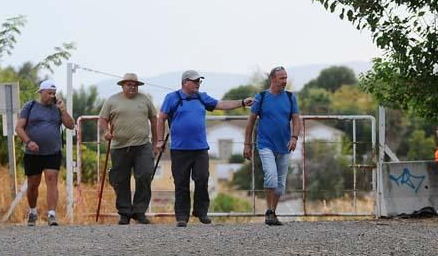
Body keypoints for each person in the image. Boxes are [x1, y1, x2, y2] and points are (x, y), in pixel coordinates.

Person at [156, 70, 253, 227]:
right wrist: (160, 140)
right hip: (179, 149)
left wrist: (242, 102)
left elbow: (221, 104)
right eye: (195, 81)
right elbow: (161, 119)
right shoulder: (172, 98)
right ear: (185, 82)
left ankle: (201, 212)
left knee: (202, 179)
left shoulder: (202, 97)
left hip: (200, 148)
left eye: (199, 82)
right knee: (181, 183)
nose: (198, 84)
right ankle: (182, 216)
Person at [243, 66, 301, 226]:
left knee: (281, 184)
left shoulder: (290, 97)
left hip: (285, 145)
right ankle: (269, 210)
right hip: (265, 144)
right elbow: (250, 122)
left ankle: (272, 213)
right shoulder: (261, 97)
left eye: (285, 78)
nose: (284, 81)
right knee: (271, 176)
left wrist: (294, 137)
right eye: (281, 78)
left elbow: (296, 119)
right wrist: (247, 144)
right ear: (273, 79)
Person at [98, 72, 159, 225]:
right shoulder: (112, 100)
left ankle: (139, 212)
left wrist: (157, 141)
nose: (132, 87)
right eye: (129, 84)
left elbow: (153, 119)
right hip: (119, 147)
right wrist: (106, 132)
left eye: (135, 85)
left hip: (142, 145)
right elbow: (102, 119)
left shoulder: (144, 99)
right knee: (120, 180)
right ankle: (124, 213)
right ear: (123, 85)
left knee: (145, 175)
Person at [15, 79, 76, 226]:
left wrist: (63, 110)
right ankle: (33, 212)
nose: (52, 96)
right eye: (49, 93)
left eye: (54, 93)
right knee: (33, 184)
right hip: (33, 153)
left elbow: (70, 125)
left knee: (51, 179)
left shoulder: (57, 108)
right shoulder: (30, 106)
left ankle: (51, 215)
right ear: (41, 92)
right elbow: (19, 128)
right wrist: (29, 142)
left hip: (53, 151)